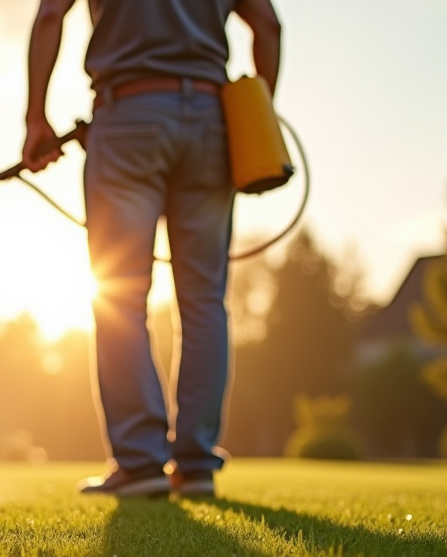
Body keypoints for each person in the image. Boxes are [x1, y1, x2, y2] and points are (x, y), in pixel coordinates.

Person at [23, 0, 282, 498]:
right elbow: (267, 25)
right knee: (205, 301)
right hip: (212, 121)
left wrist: (36, 118)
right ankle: (195, 465)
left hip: (128, 114)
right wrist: (260, 110)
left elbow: (51, 14)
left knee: (119, 295)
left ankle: (141, 462)